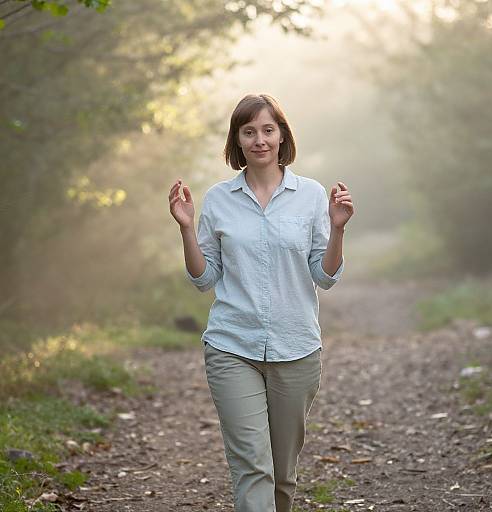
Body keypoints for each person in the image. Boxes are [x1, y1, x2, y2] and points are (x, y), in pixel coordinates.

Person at [168, 93, 354, 512]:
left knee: (282, 476)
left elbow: (325, 276)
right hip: (232, 347)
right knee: (253, 468)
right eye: (248, 131)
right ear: (237, 140)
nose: (259, 140)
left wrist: (338, 230)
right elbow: (203, 279)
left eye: (268, 130)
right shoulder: (218, 199)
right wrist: (185, 228)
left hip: (296, 348)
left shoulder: (309, 196)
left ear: (282, 135)